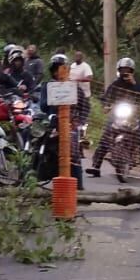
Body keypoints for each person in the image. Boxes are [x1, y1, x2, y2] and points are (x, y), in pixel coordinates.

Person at [88, 57, 140, 179]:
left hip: (134, 117)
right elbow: (106, 97)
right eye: (123, 70)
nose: (125, 72)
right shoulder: (115, 84)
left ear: (132, 71)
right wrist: (106, 105)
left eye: (128, 70)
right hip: (117, 115)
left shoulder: (137, 84)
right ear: (119, 70)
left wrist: (134, 84)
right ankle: (96, 166)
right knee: (106, 135)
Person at [36, 53, 82, 190]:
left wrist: (80, 120)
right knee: (37, 141)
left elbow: (84, 105)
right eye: (56, 69)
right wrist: (55, 98)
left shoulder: (73, 87)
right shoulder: (47, 85)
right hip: (52, 123)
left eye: (62, 68)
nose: (59, 72)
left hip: (70, 125)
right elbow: (43, 106)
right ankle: (35, 175)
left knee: (73, 151)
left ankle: (78, 186)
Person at [68, 50, 95, 127]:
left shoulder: (85, 66)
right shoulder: (72, 66)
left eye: (79, 56)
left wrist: (79, 80)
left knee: (84, 111)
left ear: (82, 57)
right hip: (73, 93)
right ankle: (72, 125)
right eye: (76, 56)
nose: (77, 58)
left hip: (84, 93)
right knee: (72, 111)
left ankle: (82, 126)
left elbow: (90, 78)